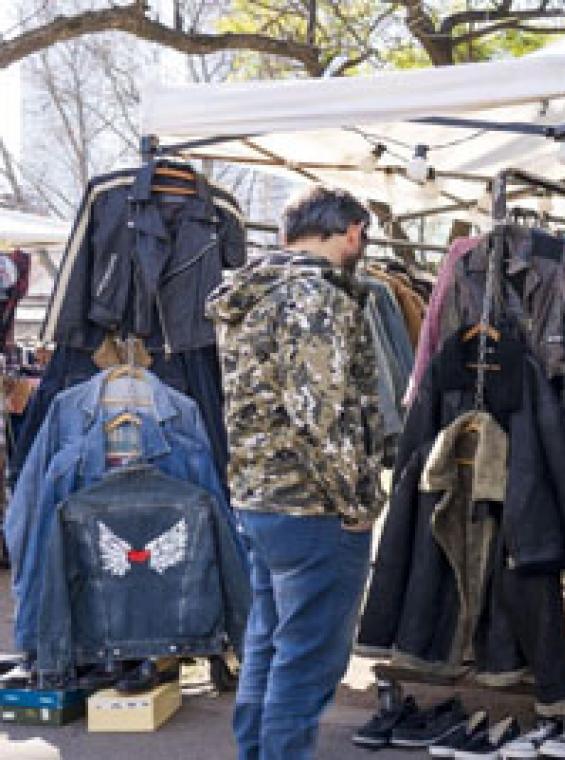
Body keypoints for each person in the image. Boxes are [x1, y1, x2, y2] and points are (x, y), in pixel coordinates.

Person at [206, 186, 387, 760]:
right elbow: (322, 414)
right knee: (308, 660)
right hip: (312, 505)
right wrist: (357, 504)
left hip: (260, 497)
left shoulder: (254, 294)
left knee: (269, 646)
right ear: (353, 230)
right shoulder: (313, 297)